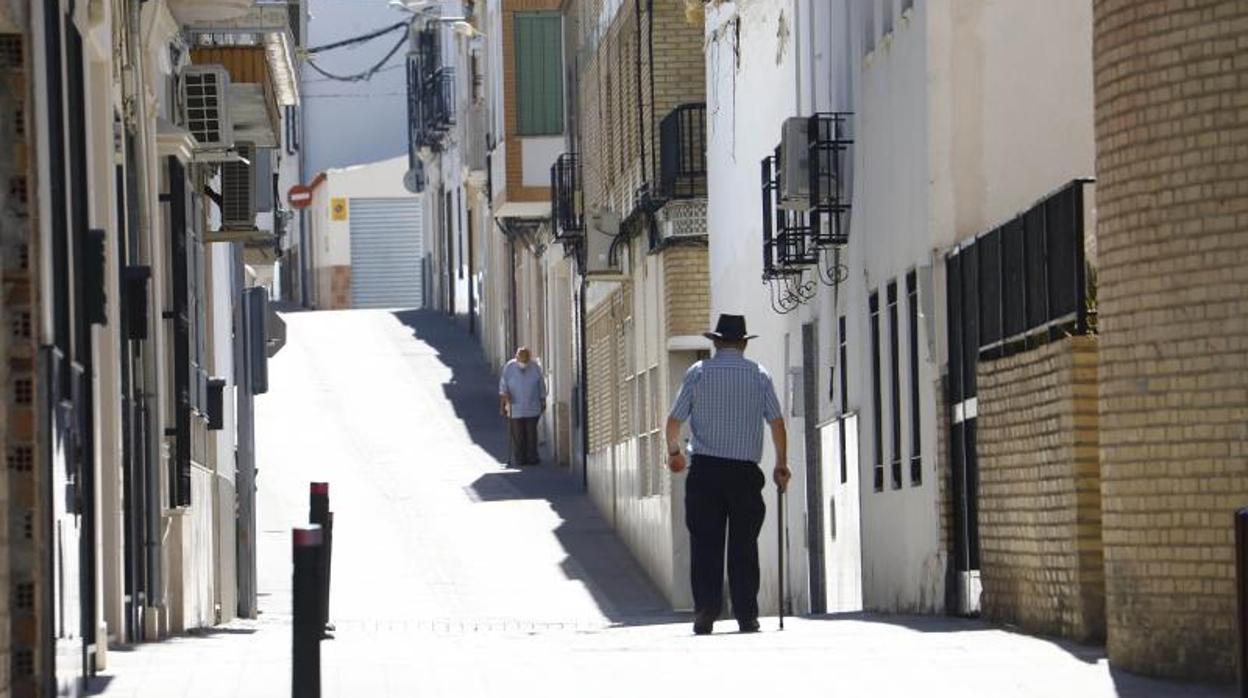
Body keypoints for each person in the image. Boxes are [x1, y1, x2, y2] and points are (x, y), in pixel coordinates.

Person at [665, 314, 789, 635]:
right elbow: (776, 423)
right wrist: (781, 463)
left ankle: (706, 611)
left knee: (705, 543)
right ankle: (746, 614)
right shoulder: (759, 375)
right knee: (744, 544)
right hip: (744, 474)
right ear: (744, 343)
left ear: (716, 342)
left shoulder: (698, 372)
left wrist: (674, 453)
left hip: (705, 472)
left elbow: (674, 421)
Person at [499, 347, 546, 466]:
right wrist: (504, 401)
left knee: (531, 434)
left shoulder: (535, 367)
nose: (523, 363)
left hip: (532, 406)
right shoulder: (509, 367)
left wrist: (543, 399)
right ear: (516, 358)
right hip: (515, 407)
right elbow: (503, 386)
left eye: (525, 361)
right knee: (518, 434)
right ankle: (520, 458)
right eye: (521, 360)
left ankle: (532, 457)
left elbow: (541, 385)